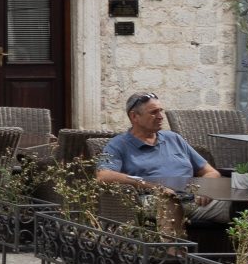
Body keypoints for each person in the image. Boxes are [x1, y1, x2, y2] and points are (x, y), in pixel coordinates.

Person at [97, 90, 229, 229]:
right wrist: (152, 186)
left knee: (246, 200)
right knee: (169, 200)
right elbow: (103, 175)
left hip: (194, 200)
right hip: (152, 199)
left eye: (161, 111)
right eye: (154, 112)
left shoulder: (173, 138)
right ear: (134, 116)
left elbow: (211, 172)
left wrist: (205, 188)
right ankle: (172, 251)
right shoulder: (119, 144)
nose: (161, 116)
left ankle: (245, 249)